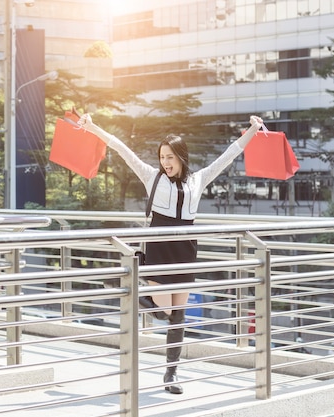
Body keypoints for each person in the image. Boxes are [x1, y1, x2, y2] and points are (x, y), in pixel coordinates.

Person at [78, 112, 264, 395]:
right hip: (160, 246)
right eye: (162, 157)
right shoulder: (151, 177)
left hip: (186, 249)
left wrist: (253, 129)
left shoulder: (198, 180)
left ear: (181, 156)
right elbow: (120, 147)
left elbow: (230, 154)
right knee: (163, 311)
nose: (165, 163)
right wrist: (92, 128)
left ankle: (171, 374)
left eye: (170, 157)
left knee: (179, 316)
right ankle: (127, 287)